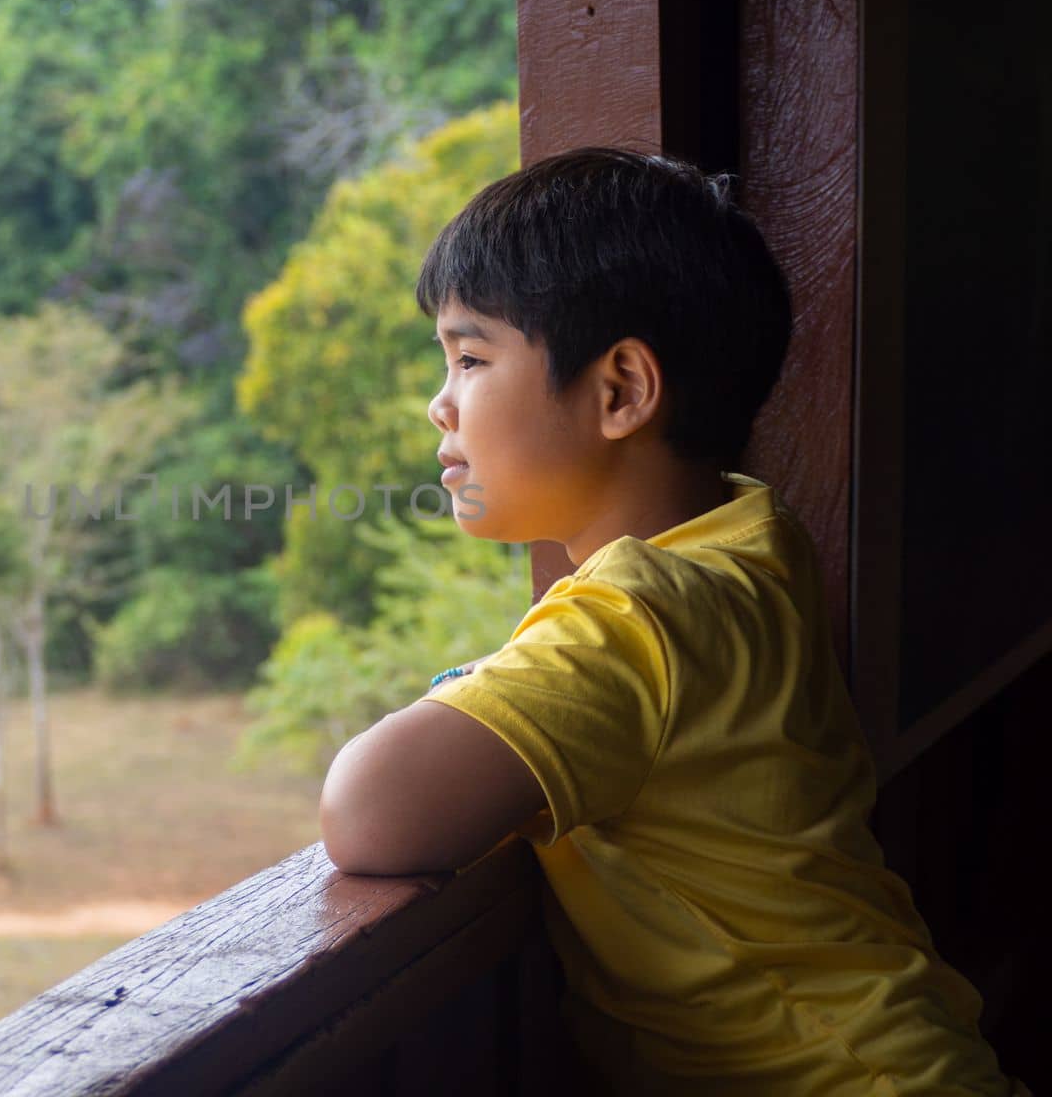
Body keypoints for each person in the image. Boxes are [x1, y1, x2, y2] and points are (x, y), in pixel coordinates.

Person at [317, 148, 1030, 1096]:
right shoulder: (754, 539)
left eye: (472, 357)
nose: (437, 402)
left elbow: (370, 811)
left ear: (620, 391)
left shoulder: (636, 616)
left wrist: (475, 689)